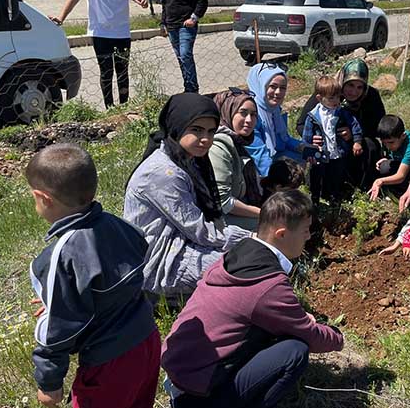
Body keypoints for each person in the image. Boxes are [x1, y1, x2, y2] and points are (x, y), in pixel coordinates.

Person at [26, 144, 192, 408]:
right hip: (145, 341)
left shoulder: (59, 255)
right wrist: (62, 297)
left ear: (43, 198)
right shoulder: (117, 225)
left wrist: (49, 381)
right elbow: (129, 266)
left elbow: (57, 330)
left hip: (108, 359)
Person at [161, 190, 344, 408]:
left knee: (272, 332)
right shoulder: (268, 285)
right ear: (281, 234)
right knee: (294, 350)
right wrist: (337, 336)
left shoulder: (238, 254)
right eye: (306, 230)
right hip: (198, 400)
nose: (309, 236)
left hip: (181, 379)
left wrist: (296, 317)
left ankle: (209, 403)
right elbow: (315, 339)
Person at [125, 93, 251, 297]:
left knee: (250, 259)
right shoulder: (164, 173)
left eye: (211, 132)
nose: (206, 139)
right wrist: (252, 238)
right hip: (162, 260)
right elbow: (200, 231)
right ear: (177, 126)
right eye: (196, 130)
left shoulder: (187, 159)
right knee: (245, 268)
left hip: (183, 242)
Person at [296, 59, 386, 189]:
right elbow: (301, 124)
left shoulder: (371, 96)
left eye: (359, 87)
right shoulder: (328, 92)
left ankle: (360, 185)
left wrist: (355, 134)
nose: (354, 92)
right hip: (327, 145)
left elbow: (379, 127)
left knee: (371, 145)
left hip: (354, 144)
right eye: (350, 85)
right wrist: (312, 138)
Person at [49, 0, 148, 108]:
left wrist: (141, 0)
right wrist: (61, 17)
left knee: (122, 72)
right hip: (100, 32)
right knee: (106, 72)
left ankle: (125, 106)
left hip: (122, 31)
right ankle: (109, 108)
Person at [302, 76, 363, 203]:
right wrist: (308, 150)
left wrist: (357, 141)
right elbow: (307, 135)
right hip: (320, 153)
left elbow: (354, 125)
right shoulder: (313, 116)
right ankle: (315, 198)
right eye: (331, 98)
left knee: (335, 175)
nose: (336, 101)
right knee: (317, 175)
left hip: (337, 152)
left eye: (338, 97)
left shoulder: (342, 112)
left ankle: (333, 197)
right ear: (319, 98)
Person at [209, 88, 264, 231]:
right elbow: (224, 202)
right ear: (228, 111)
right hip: (220, 220)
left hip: (235, 209)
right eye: (243, 113)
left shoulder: (238, 141)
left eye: (253, 115)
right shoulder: (219, 146)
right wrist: (263, 214)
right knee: (274, 225)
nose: (249, 120)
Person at [246, 63, 313, 177]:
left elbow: (283, 140)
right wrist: (279, 179)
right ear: (260, 85)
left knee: (307, 156)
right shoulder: (251, 115)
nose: (278, 92)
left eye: (282, 88)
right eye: (273, 86)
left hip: (275, 155)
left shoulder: (274, 110)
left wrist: (302, 147)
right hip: (256, 167)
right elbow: (259, 155)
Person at [368, 114, 410, 200]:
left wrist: (379, 181)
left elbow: (401, 176)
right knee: (384, 166)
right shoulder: (390, 141)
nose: (388, 146)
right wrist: (388, 159)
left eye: (391, 143)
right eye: (384, 143)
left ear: (403, 136)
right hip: (407, 168)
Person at [161, 0, 208, 93]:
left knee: (185, 55)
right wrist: (162, 24)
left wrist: (194, 18)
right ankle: (188, 87)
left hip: (186, 26)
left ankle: (193, 89)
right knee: (181, 58)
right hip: (171, 26)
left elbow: (202, 1)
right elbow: (165, 5)